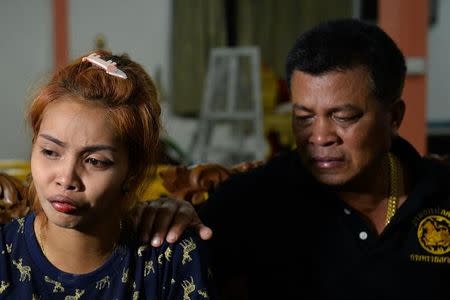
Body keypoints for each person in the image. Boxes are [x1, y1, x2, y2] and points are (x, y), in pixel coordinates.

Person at [142, 19, 450, 299]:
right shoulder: (256, 199)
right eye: (303, 117)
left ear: (394, 117)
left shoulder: (439, 191)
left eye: (343, 116)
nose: (319, 136)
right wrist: (175, 214)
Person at [0, 50, 215, 299]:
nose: (66, 178)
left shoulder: (170, 258)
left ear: (132, 171)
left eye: (94, 161)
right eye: (50, 152)